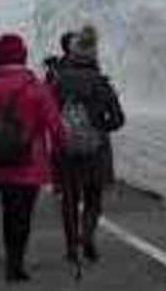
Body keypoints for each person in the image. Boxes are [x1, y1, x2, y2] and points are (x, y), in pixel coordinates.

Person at [0, 33, 63, 283]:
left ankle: (12, 257)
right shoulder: (37, 88)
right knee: (24, 213)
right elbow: (55, 127)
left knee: (9, 210)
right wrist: (59, 157)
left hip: (0, 161)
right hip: (31, 163)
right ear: (23, 55)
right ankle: (17, 261)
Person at [50, 25, 125, 265]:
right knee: (93, 198)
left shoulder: (59, 82)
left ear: (72, 55)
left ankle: (71, 247)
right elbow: (118, 119)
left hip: (67, 150)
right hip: (96, 151)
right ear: (93, 56)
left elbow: (49, 114)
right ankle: (87, 234)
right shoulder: (102, 84)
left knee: (70, 199)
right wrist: (100, 128)